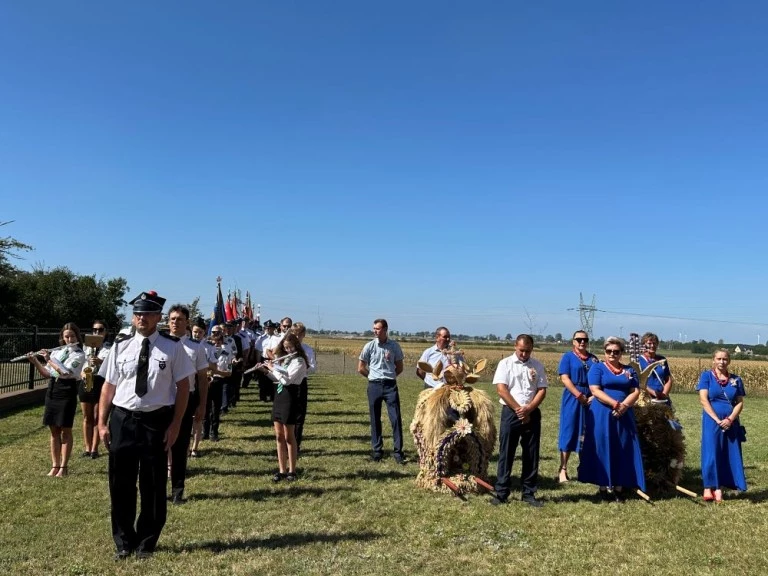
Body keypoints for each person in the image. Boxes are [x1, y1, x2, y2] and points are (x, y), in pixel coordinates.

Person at [98, 291, 195, 560]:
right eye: (138, 313)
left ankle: (147, 541)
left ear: (157, 317)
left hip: (156, 421)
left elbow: (184, 386)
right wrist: (101, 423)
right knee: (120, 482)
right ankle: (123, 540)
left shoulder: (173, 347)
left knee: (152, 483)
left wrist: (176, 424)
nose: (142, 318)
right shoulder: (120, 346)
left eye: (148, 313)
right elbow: (109, 386)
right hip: (124, 419)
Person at [578, 336, 645, 502]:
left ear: (621, 353)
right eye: (609, 351)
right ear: (605, 352)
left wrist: (624, 406)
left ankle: (619, 487)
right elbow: (595, 390)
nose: (612, 354)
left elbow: (635, 391)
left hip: (624, 414)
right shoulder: (597, 368)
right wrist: (615, 404)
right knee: (603, 446)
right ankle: (602, 486)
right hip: (602, 413)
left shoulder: (629, 371)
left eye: (616, 351)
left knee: (622, 447)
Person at [490, 334, 548, 507]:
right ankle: (501, 492)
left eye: (528, 351)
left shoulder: (537, 365)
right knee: (506, 452)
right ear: (515, 346)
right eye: (521, 350)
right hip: (511, 412)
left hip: (532, 412)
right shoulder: (505, 364)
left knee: (531, 454)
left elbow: (542, 390)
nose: (524, 354)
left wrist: (529, 409)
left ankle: (529, 493)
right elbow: (501, 389)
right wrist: (518, 409)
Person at [29, 323, 87, 478]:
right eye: (66, 336)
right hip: (53, 390)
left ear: (77, 337)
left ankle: (64, 467)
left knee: (65, 429)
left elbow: (65, 372)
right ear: (62, 337)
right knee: (54, 430)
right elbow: (47, 374)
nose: (69, 339)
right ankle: (55, 465)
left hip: (67, 390)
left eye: (72, 336)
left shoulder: (79, 354)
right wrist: (35, 361)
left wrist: (48, 359)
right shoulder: (59, 352)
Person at [167, 305, 211, 504]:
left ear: (187, 323)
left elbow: (202, 378)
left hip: (186, 399)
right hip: (162, 399)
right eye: (172, 318)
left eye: (180, 319)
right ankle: (159, 487)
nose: (175, 322)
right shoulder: (160, 344)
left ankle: (177, 489)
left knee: (180, 444)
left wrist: (202, 405)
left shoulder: (196, 347)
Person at [696, 349, 746, 502]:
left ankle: (719, 489)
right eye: (719, 358)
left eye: (725, 359)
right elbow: (704, 399)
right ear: (713, 360)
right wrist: (717, 420)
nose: (722, 362)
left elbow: (739, 403)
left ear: (729, 361)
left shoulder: (736, 380)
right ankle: (708, 486)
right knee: (711, 452)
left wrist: (730, 419)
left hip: (730, 422)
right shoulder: (706, 376)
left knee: (727, 453)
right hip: (712, 421)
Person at [258, 333, 309, 482]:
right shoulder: (286, 359)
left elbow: (287, 380)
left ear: (296, 346)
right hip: (280, 397)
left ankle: (292, 470)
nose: (288, 350)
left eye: (290, 347)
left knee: (289, 436)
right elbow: (278, 379)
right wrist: (266, 371)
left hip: (291, 397)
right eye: (285, 348)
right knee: (279, 435)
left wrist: (273, 367)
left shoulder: (299, 361)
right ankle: (282, 470)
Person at [358, 318, 405, 464]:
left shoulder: (394, 346)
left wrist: (389, 377)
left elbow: (400, 367)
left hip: (390, 386)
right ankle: (377, 450)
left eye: (377, 329)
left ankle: (398, 452)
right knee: (375, 418)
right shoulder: (369, 346)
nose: (375, 331)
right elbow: (360, 367)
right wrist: (372, 377)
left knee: (395, 418)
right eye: (374, 328)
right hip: (374, 386)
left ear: (385, 330)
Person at [556, 330, 598, 484]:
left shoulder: (594, 359)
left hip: (592, 398)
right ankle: (563, 469)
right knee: (569, 430)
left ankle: (584, 468)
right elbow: (565, 378)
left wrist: (594, 395)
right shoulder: (568, 357)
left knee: (588, 433)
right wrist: (578, 395)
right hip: (573, 397)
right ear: (573, 341)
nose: (582, 342)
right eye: (579, 339)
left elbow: (599, 379)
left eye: (585, 339)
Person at [78, 320, 112, 459]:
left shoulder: (109, 348)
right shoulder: (86, 347)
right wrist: (82, 373)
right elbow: (81, 363)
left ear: (106, 332)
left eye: (100, 330)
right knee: (87, 417)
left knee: (98, 416)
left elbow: (111, 364)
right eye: (95, 330)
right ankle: (87, 447)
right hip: (87, 379)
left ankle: (94, 449)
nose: (97, 332)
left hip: (100, 381)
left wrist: (100, 361)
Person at [203, 324, 234, 442]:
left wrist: (215, 371)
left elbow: (229, 372)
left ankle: (213, 432)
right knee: (205, 408)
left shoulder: (227, 350)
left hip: (218, 380)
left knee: (216, 408)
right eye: (213, 334)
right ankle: (204, 431)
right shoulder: (205, 348)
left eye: (218, 334)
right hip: (205, 381)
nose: (215, 337)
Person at [190, 319, 214, 457]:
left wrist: (204, 367)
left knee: (198, 416)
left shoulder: (208, 347)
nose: (197, 334)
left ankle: (195, 447)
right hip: (188, 381)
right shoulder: (185, 344)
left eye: (200, 332)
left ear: (204, 333)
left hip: (202, 381)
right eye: (195, 332)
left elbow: (214, 364)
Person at [291, 322, 316, 451]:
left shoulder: (308, 350)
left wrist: (302, 367)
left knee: (299, 416)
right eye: (294, 334)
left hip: (301, 382)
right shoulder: (286, 349)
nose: (296, 337)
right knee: (287, 415)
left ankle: (296, 444)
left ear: (303, 335)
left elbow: (312, 368)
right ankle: (287, 443)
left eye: (299, 334)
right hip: (287, 383)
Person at [637, 332, 673, 402]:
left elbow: (668, 379)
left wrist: (664, 394)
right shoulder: (637, 361)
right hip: (644, 399)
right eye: (649, 343)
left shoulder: (662, 360)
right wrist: (654, 393)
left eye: (654, 343)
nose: (652, 345)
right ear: (643, 345)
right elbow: (637, 381)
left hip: (661, 399)